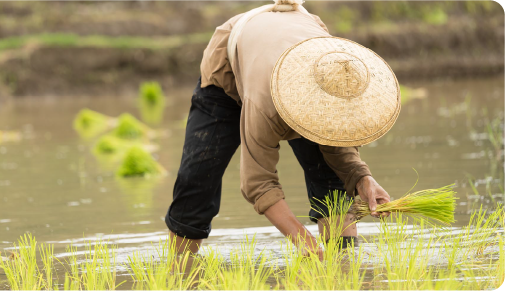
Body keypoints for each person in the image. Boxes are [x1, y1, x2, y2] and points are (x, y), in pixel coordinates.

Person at [164, 0, 400, 258]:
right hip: (229, 72)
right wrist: (303, 241)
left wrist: (363, 179)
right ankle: (180, 269)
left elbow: (337, 150)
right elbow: (258, 183)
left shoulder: (337, 76)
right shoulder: (265, 104)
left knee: (332, 179)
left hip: (296, 47)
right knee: (198, 177)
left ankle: (344, 266)